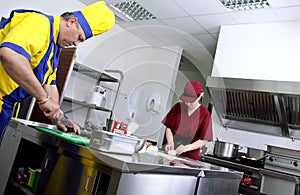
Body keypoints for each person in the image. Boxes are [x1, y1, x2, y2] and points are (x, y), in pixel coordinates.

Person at [0, 1, 115, 141]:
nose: (76, 44)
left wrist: (60, 116)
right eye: (79, 38)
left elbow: (49, 84)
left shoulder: (54, 49)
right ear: (72, 21)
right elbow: (10, 55)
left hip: (5, 107)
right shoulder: (40, 23)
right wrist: (43, 99)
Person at [162, 80, 213, 161]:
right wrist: (170, 142)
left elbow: (204, 140)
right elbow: (169, 128)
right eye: (186, 101)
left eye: (191, 102)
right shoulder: (177, 107)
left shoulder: (205, 114)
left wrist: (187, 148)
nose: (188, 104)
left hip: (190, 158)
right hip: (171, 153)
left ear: (200, 96)